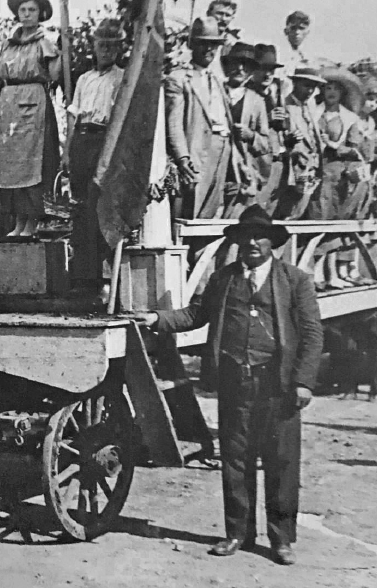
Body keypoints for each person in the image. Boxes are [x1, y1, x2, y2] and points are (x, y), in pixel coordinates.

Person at [136, 204, 323, 567]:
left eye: (260, 236)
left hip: (278, 387)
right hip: (235, 383)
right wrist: (156, 318)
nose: (252, 242)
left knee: (281, 462)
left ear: (273, 243)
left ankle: (282, 539)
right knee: (235, 461)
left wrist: (303, 382)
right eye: (245, 237)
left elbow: (313, 335)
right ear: (236, 242)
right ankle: (237, 533)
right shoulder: (224, 279)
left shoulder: (295, 280)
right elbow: (195, 315)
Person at [0, 0, 62, 238]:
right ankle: (19, 222)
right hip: (8, 108)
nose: (26, 14)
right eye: (22, 10)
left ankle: (32, 222)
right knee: (10, 168)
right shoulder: (7, 45)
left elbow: (54, 76)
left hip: (33, 106)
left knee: (31, 166)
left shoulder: (45, 43)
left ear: (41, 14)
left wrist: (61, 54)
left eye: (31, 10)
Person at [65, 18, 125, 296]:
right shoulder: (84, 79)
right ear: (94, 47)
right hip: (81, 141)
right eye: (102, 45)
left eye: (112, 46)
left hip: (105, 140)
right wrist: (67, 151)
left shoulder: (122, 78)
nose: (106, 51)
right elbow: (73, 117)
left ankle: (104, 277)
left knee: (100, 207)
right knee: (80, 207)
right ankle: (83, 277)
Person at [308, 69, 371, 289]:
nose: (331, 92)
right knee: (317, 220)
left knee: (335, 221)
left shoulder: (349, 118)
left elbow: (354, 150)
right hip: (317, 172)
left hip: (339, 175)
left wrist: (333, 145)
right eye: (327, 87)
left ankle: (333, 273)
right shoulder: (313, 112)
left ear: (342, 92)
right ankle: (316, 274)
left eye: (335, 88)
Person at [165, 16, 232, 219]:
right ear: (192, 45)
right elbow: (174, 123)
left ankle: (200, 252)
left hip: (221, 150)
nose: (208, 50)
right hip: (196, 150)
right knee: (189, 210)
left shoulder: (218, 81)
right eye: (203, 44)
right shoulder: (178, 78)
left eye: (213, 45)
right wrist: (183, 158)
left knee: (210, 213)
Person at [220, 42, 271, 219]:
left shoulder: (256, 101)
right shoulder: (214, 92)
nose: (240, 69)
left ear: (251, 72)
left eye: (246, 66)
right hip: (213, 169)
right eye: (235, 64)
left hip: (239, 174)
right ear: (227, 67)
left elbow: (265, 144)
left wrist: (251, 136)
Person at [270, 68, 326, 220]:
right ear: (295, 83)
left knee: (298, 216)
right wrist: (289, 142)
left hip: (309, 172)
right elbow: (278, 140)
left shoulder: (308, 108)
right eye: (306, 85)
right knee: (285, 217)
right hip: (292, 173)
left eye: (313, 87)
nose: (310, 90)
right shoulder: (285, 107)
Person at [247, 44, 288, 183]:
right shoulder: (247, 94)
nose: (268, 74)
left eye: (271, 70)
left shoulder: (275, 93)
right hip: (255, 163)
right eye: (263, 69)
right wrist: (267, 119)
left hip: (276, 160)